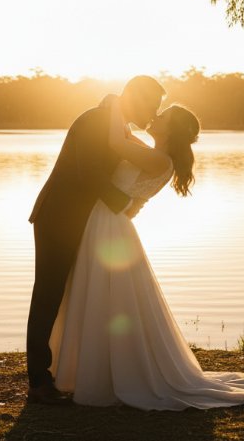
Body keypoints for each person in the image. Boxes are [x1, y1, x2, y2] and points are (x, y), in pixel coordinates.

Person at [48, 96, 244, 410]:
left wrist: (116, 104)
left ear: (171, 130)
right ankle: (96, 370)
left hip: (109, 227)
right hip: (106, 223)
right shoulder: (154, 154)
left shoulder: (160, 161)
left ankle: (106, 376)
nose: (155, 115)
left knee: (107, 297)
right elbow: (126, 141)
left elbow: (117, 141)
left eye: (163, 115)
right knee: (100, 296)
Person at [26, 76, 166, 405]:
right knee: (48, 294)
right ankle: (38, 381)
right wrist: (125, 205)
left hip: (84, 222)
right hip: (58, 218)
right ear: (134, 97)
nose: (153, 113)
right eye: (152, 105)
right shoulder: (97, 120)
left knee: (73, 293)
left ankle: (74, 370)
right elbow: (88, 172)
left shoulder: (116, 124)